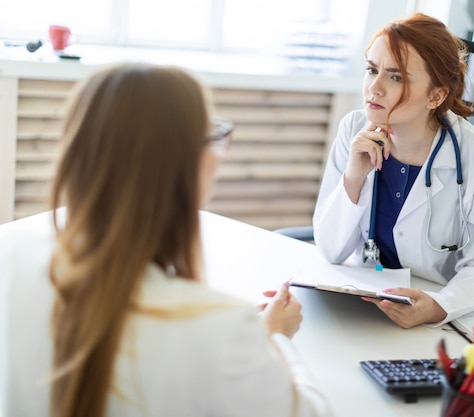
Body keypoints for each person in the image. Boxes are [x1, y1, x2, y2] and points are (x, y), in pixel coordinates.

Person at [0, 63, 331, 417]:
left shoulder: (11, 261)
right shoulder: (221, 328)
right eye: (213, 135)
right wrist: (275, 338)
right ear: (188, 163)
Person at [313, 13, 474, 329]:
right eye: (371, 70)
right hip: (357, 307)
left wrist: (438, 306)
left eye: (396, 77)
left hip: (433, 317)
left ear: (436, 95)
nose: (373, 88)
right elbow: (330, 251)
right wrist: (354, 178)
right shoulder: (353, 130)